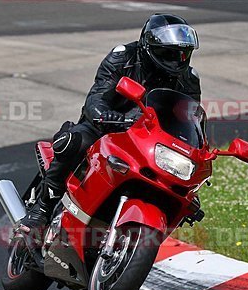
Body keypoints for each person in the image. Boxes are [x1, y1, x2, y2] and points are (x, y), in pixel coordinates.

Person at [18, 13, 202, 241]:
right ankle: (41, 210)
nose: (176, 60)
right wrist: (104, 115)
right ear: (148, 46)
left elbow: (189, 118)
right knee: (74, 141)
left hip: (146, 139)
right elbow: (97, 95)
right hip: (106, 126)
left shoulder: (189, 79)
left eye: (182, 54)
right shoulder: (124, 57)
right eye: (168, 53)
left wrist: (198, 147)